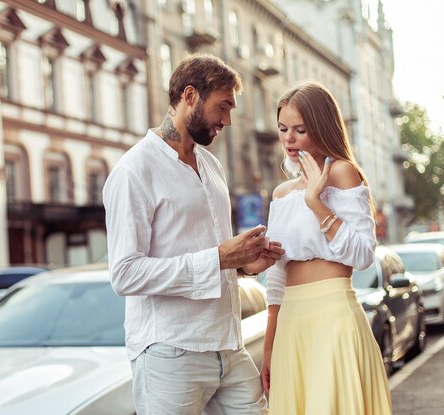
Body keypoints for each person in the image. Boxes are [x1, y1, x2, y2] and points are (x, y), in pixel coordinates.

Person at [103, 53, 284, 414]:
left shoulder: (211, 165)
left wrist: (246, 265)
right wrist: (219, 257)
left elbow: (211, 255)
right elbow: (124, 274)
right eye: (223, 106)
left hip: (227, 344)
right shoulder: (134, 171)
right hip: (170, 351)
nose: (228, 120)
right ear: (190, 96)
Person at [261, 81, 392, 414]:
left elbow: (362, 255)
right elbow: (276, 282)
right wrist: (269, 349)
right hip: (291, 325)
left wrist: (316, 202)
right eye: (283, 129)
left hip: (334, 319)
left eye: (300, 129)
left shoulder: (344, 174)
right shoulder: (280, 194)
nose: (288, 138)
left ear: (320, 128)